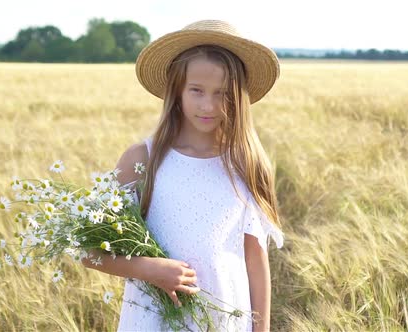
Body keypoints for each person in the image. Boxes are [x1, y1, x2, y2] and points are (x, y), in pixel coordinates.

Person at [82, 19, 285, 331]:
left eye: (223, 93)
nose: (209, 104)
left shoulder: (247, 164)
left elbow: (256, 264)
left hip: (225, 320)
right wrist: (148, 269)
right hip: (153, 320)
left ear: (239, 97)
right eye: (197, 91)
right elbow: (88, 252)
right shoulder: (142, 160)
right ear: (176, 91)